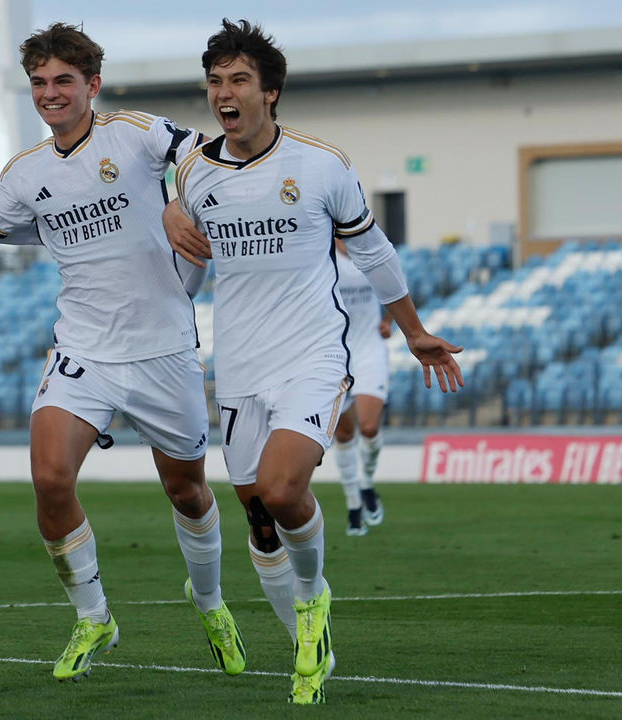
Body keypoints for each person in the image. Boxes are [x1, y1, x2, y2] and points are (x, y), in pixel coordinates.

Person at [170, 19, 463, 704]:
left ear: (269, 91)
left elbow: (373, 249)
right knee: (258, 513)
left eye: (238, 79)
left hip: (311, 357)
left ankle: (312, 601)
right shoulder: (193, 173)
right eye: (215, 82)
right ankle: (310, 644)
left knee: (280, 488)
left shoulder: (321, 164)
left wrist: (414, 329)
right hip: (238, 364)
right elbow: (184, 272)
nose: (224, 93)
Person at [0, 22, 246, 681]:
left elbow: (205, 152)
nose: (50, 93)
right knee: (50, 477)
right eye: (39, 83)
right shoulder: (25, 173)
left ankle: (210, 603)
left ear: (92, 85)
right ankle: (94, 615)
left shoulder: (136, 134)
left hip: (165, 349)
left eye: (64, 81)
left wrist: (178, 202)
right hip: (84, 349)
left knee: (188, 491)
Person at [332, 238, 391, 536]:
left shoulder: (371, 254)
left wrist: (389, 321)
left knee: (368, 427)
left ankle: (367, 483)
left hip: (370, 352)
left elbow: (396, 286)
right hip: (336, 355)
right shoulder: (323, 257)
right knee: (343, 434)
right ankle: (353, 503)